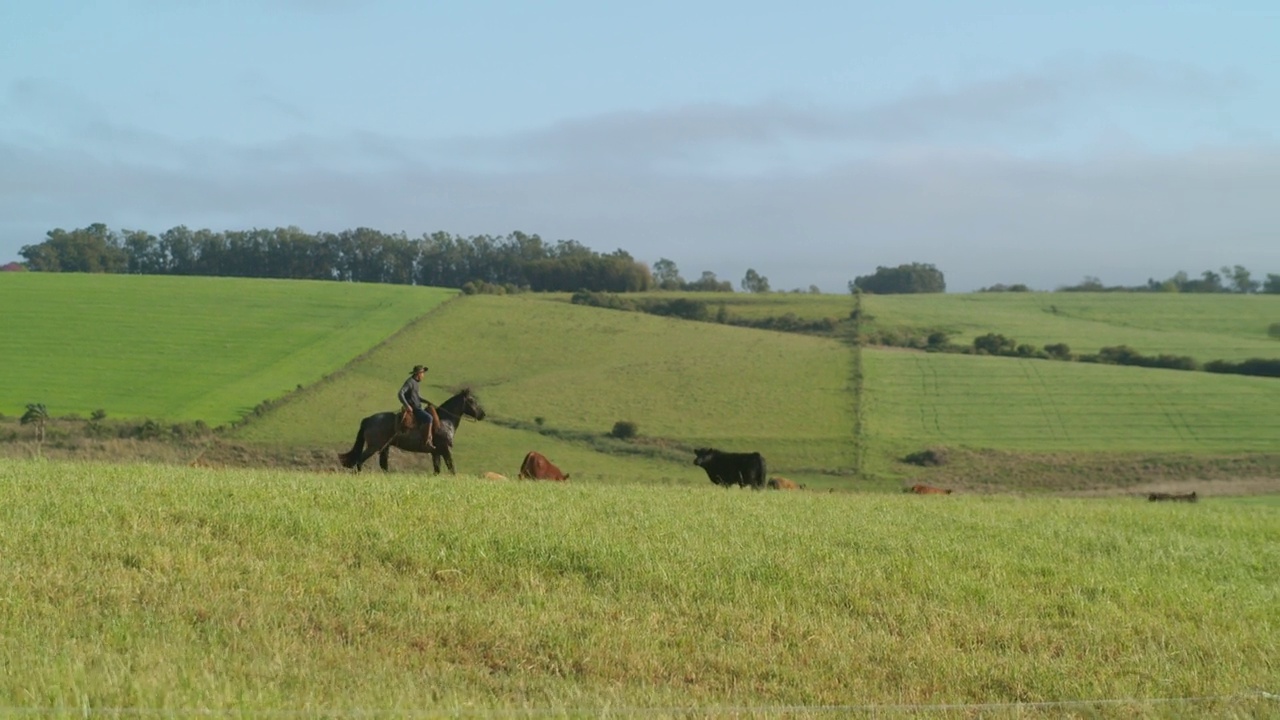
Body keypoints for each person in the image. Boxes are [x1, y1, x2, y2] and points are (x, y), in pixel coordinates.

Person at [397, 364, 436, 447]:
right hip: (415, 409)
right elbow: (400, 393)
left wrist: (427, 401)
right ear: (418, 373)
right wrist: (407, 405)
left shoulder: (416, 383)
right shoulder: (410, 382)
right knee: (429, 418)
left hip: (418, 407)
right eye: (422, 373)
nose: (423, 375)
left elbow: (417, 397)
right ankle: (427, 440)